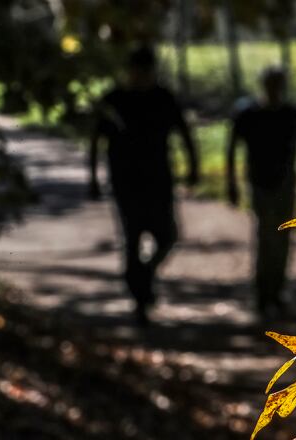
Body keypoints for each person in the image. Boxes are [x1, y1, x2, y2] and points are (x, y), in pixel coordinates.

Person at [89, 46, 199, 326]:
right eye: (138, 71)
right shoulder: (115, 100)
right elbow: (95, 141)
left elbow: (184, 133)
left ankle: (143, 278)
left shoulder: (163, 99)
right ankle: (140, 297)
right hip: (126, 183)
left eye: (146, 71)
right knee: (132, 238)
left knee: (167, 236)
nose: (141, 76)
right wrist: (92, 178)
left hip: (159, 181)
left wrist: (193, 168)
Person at [226, 66, 296, 318]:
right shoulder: (248, 114)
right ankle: (264, 292)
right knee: (265, 235)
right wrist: (231, 183)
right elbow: (231, 149)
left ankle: (276, 290)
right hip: (259, 183)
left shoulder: (291, 114)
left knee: (281, 237)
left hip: (285, 183)